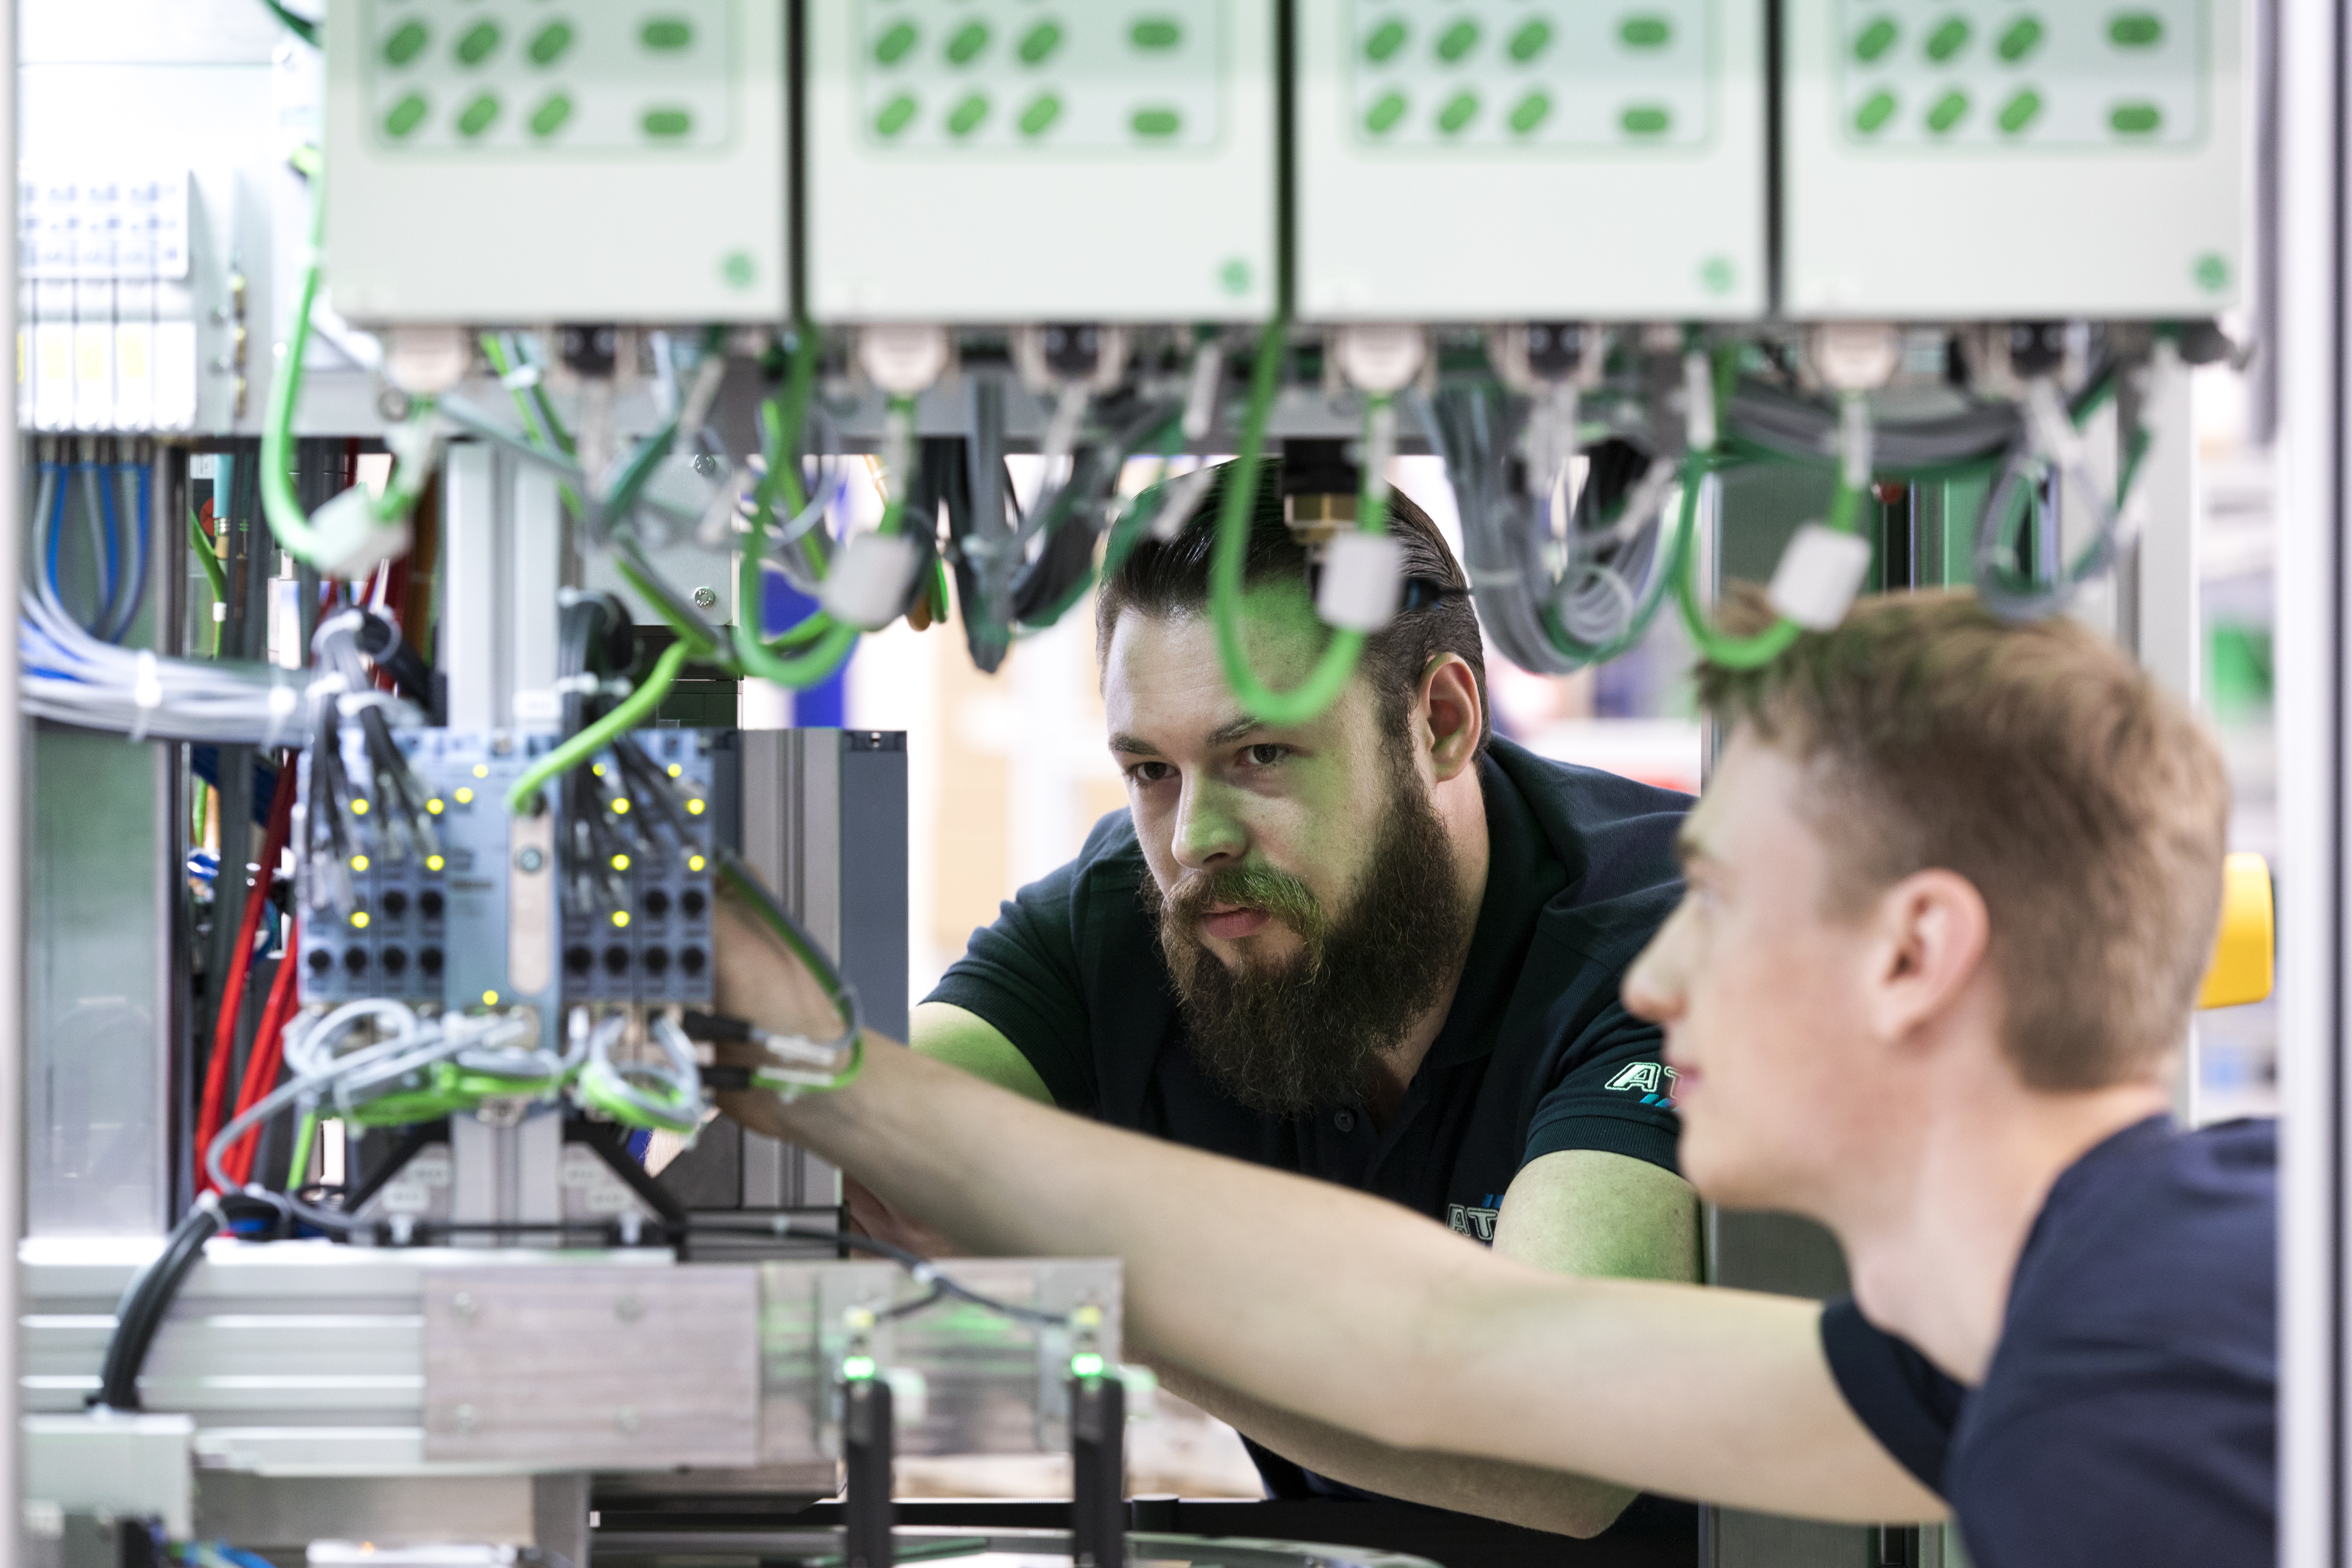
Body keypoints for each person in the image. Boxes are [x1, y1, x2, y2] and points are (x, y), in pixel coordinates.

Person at [715, 589, 2275, 1568]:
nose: (1659, 977)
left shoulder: (2134, 1407)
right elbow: (1456, 1350)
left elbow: (1527, 1448)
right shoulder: (1989, 1354)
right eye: (1152, 772)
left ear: (1914, 952)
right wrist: (835, 1083)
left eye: (1721, 904)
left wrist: (847, 1089)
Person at [855, 460, 1699, 1536]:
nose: (1195, 839)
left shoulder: (1667, 940)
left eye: (1259, 754)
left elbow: (1559, 1428)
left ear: (1440, 721)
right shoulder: (1141, 912)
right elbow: (870, 1139)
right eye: (1150, 770)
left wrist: (1095, 1282)